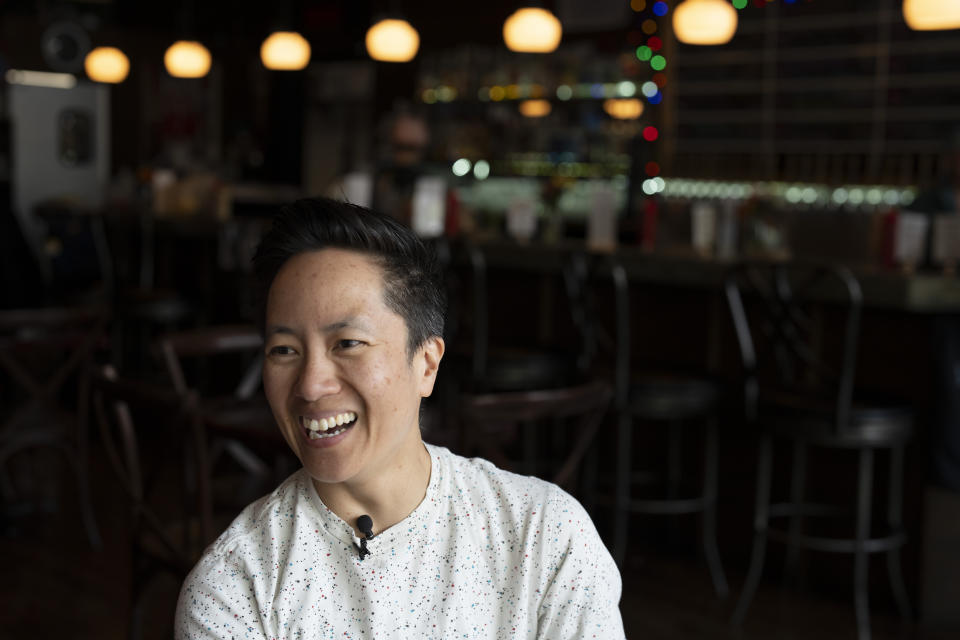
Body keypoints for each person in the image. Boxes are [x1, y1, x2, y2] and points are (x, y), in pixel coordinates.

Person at [174, 197, 625, 638]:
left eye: (347, 343)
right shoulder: (234, 589)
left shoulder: (544, 537)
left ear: (426, 363)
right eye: (284, 351)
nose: (310, 385)